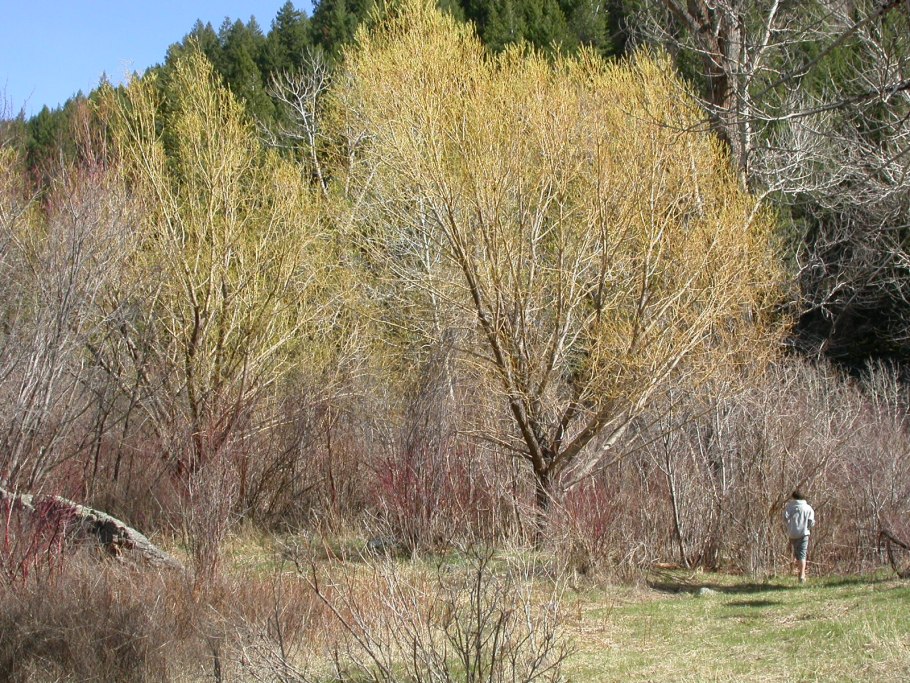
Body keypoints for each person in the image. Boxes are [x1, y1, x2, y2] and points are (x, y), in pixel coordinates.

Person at [783, 491, 815, 582]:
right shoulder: (808, 508)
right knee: (802, 554)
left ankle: (800, 574)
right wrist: (807, 527)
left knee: (797, 554)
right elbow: (811, 522)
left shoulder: (789, 507)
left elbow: (785, 518)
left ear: (793, 497)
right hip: (804, 534)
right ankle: (802, 575)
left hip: (792, 534)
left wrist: (790, 525)